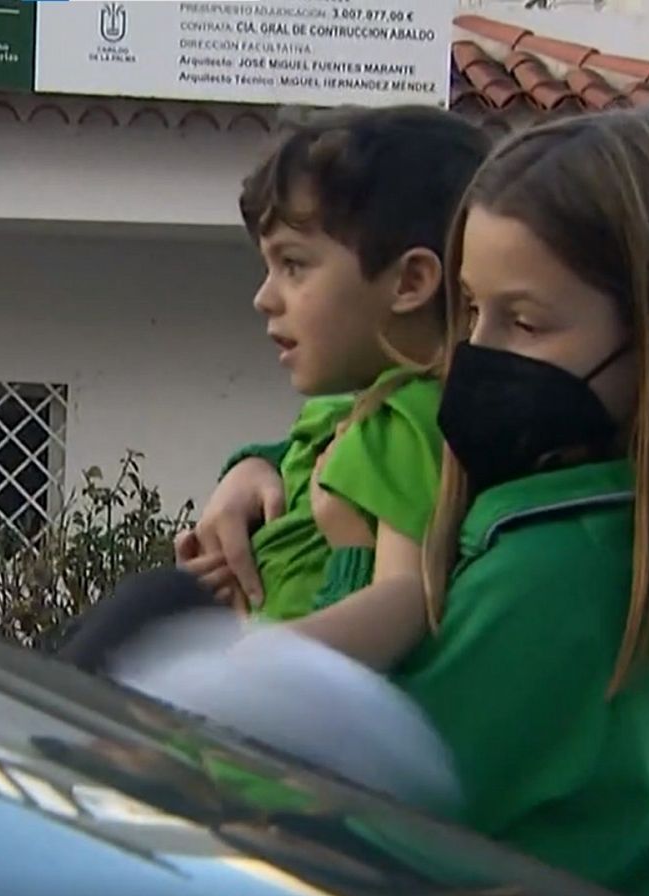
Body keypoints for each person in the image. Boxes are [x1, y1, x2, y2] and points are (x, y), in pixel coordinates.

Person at [203, 102, 649, 896]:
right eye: (472, 310)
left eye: (523, 321)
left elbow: (326, 818)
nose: (474, 355)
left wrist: (207, 698)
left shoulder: (560, 573)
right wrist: (260, 465)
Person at [56, 105, 489, 671]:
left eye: (294, 266)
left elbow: (405, 599)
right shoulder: (344, 414)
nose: (265, 297)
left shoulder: (407, 418)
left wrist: (238, 664)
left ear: (409, 282)